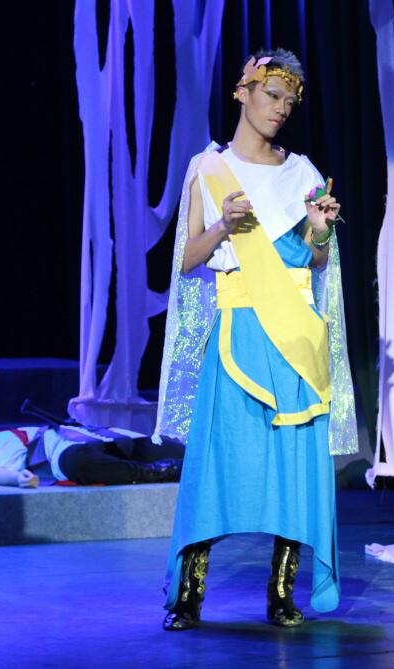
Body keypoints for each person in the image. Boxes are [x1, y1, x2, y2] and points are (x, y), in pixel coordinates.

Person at [152, 48, 359, 631]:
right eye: (272, 95)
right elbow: (186, 259)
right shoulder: (209, 168)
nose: (281, 109)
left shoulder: (304, 173)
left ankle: (283, 593)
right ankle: (188, 594)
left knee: (294, 462)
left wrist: (320, 233)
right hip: (237, 328)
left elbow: (317, 260)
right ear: (242, 93)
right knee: (217, 461)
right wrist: (224, 224)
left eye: (290, 101)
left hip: (295, 333)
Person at [0, 387, 181, 487]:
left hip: (90, 437)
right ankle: (156, 472)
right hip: (63, 454)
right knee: (78, 462)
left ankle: (182, 461)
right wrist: (16, 479)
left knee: (171, 448)